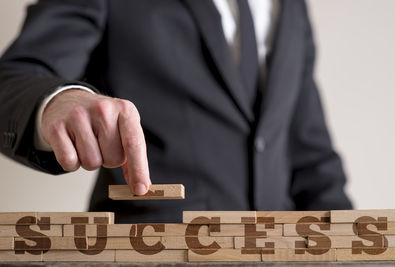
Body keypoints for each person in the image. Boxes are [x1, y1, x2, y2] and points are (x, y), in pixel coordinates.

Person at [0, 0, 352, 223]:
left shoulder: (293, 8)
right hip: (150, 252)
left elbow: (311, 159)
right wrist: (59, 101)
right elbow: (13, 79)